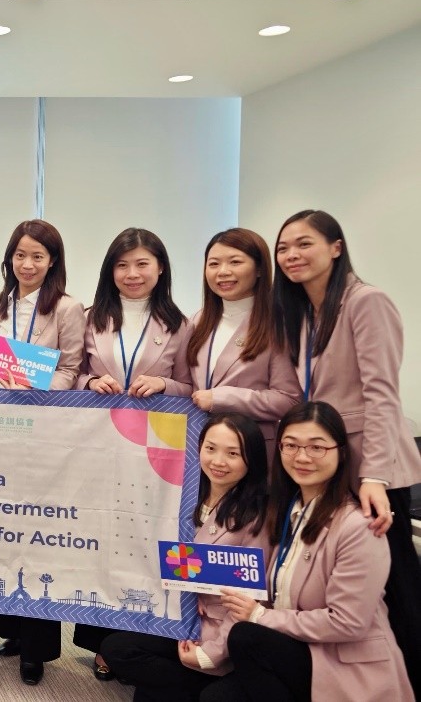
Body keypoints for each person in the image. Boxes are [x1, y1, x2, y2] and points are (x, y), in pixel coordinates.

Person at [272, 209, 421, 690]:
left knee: (397, 587)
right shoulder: (304, 312)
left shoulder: (366, 302)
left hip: (370, 468)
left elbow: (382, 395)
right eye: (283, 248)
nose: (292, 255)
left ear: (336, 248)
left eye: (304, 244)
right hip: (326, 460)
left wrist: (374, 475)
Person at [210, 402, 414, 702]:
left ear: (341, 452)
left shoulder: (359, 525)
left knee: (246, 638)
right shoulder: (286, 512)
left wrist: (260, 615)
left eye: (317, 447)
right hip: (297, 648)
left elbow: (347, 623)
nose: (302, 457)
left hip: (344, 662)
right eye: (291, 445)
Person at [76, 227, 192, 680]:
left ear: (160, 268)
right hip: (99, 446)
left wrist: (164, 384)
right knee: (99, 540)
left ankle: (138, 638)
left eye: (142, 264)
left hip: (154, 453)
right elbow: (73, 372)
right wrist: (90, 382)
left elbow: (192, 388)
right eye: (122, 265)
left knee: (142, 544)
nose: (132, 274)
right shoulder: (91, 318)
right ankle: (100, 645)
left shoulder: (181, 324)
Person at [100, 413, 270, 701]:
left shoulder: (256, 516)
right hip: (176, 614)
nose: (218, 461)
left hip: (216, 630)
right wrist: (188, 595)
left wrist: (210, 654)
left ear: (250, 459)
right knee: (116, 648)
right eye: (210, 448)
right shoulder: (184, 491)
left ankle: (202, 684)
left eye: (233, 454)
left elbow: (247, 600)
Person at [0, 220, 86, 685]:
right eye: (20, 255)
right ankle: (12, 631)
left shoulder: (67, 308)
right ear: (10, 258)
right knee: (5, 533)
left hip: (44, 430)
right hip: (2, 432)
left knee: (40, 537)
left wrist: (34, 383)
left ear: (52, 262)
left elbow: (72, 369)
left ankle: (38, 649)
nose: (27, 264)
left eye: (38, 257)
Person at [184, 228, 299, 451]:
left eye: (235, 262)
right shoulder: (196, 321)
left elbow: (287, 400)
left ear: (259, 269)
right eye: (214, 264)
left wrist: (223, 399)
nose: (223, 272)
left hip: (249, 447)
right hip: (197, 446)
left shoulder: (278, 324)